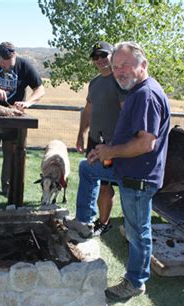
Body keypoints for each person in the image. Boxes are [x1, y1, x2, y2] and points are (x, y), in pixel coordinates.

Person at [91, 41, 171, 300]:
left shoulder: (146, 95)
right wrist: (105, 150)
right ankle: (85, 222)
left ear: (143, 64)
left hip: (139, 178)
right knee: (87, 169)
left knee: (138, 232)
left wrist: (111, 152)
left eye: (125, 65)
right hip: (129, 172)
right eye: (115, 67)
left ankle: (135, 282)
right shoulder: (139, 91)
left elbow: (146, 143)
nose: (119, 71)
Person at [64, 41, 125, 238]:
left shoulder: (120, 82)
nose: (99, 60)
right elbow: (88, 110)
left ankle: (103, 223)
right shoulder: (95, 82)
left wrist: (115, 145)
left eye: (103, 55)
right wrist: (81, 134)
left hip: (112, 146)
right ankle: (86, 220)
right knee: (92, 176)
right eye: (95, 57)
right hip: (94, 141)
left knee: (106, 187)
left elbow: (127, 116)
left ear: (112, 56)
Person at [0, 42, 45, 199]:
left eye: (10, 65)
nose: (7, 68)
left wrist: (28, 103)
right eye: (4, 64)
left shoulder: (24, 65)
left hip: (14, 119)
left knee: (11, 154)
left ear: (15, 56)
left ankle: (7, 189)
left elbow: (40, 89)